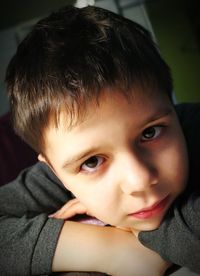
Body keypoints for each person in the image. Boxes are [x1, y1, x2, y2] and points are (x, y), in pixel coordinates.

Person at [0, 4, 199, 275]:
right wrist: (110, 250)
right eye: (92, 162)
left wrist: (147, 236)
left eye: (150, 133)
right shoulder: (54, 175)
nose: (139, 180)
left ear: (171, 106)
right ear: (53, 170)